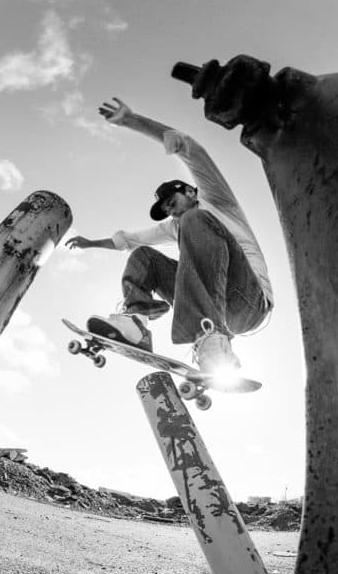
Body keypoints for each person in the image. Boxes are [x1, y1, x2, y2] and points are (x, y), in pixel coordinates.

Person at [64, 97, 273, 378]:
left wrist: (131, 120)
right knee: (143, 257)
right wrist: (91, 243)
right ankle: (137, 325)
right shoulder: (177, 226)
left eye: (172, 203)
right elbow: (129, 240)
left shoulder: (216, 200)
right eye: (167, 211)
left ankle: (212, 341)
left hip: (249, 302)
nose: (171, 213)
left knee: (194, 220)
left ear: (189, 192)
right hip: (216, 306)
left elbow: (188, 148)